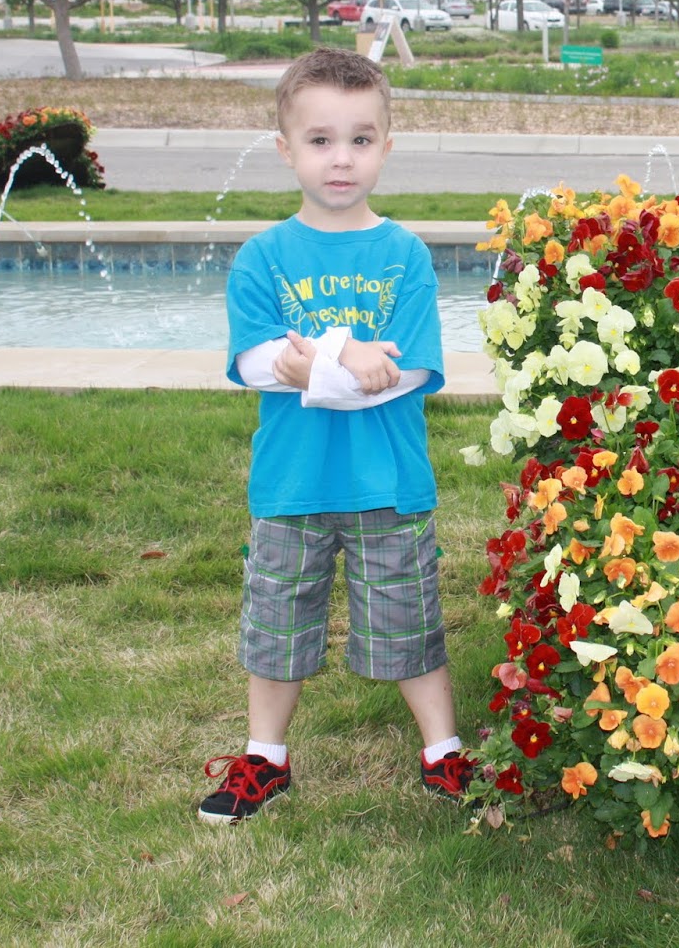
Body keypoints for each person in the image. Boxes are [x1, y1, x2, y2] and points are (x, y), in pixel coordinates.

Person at [199, 47, 473, 824]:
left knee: (411, 622)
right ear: (286, 149)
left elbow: (409, 373)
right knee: (277, 625)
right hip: (291, 483)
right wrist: (347, 353)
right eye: (320, 139)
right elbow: (256, 364)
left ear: (387, 145)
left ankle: (443, 750)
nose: (341, 157)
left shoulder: (404, 255)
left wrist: (313, 358)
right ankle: (265, 758)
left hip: (389, 480)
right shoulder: (263, 258)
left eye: (360, 138)